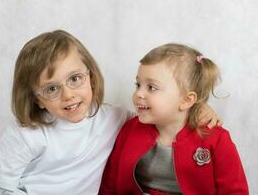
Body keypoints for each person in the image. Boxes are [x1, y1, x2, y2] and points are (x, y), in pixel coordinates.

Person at [0, 31, 221, 195]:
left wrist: (196, 110)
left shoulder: (113, 119)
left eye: (75, 79)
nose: (68, 95)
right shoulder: (27, 134)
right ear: (38, 100)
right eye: (52, 88)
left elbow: (158, 114)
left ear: (91, 77)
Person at [99, 43, 249, 194]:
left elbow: (235, 191)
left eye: (151, 87)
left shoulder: (216, 139)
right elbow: (110, 185)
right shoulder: (130, 130)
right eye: (138, 84)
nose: (139, 93)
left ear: (186, 100)